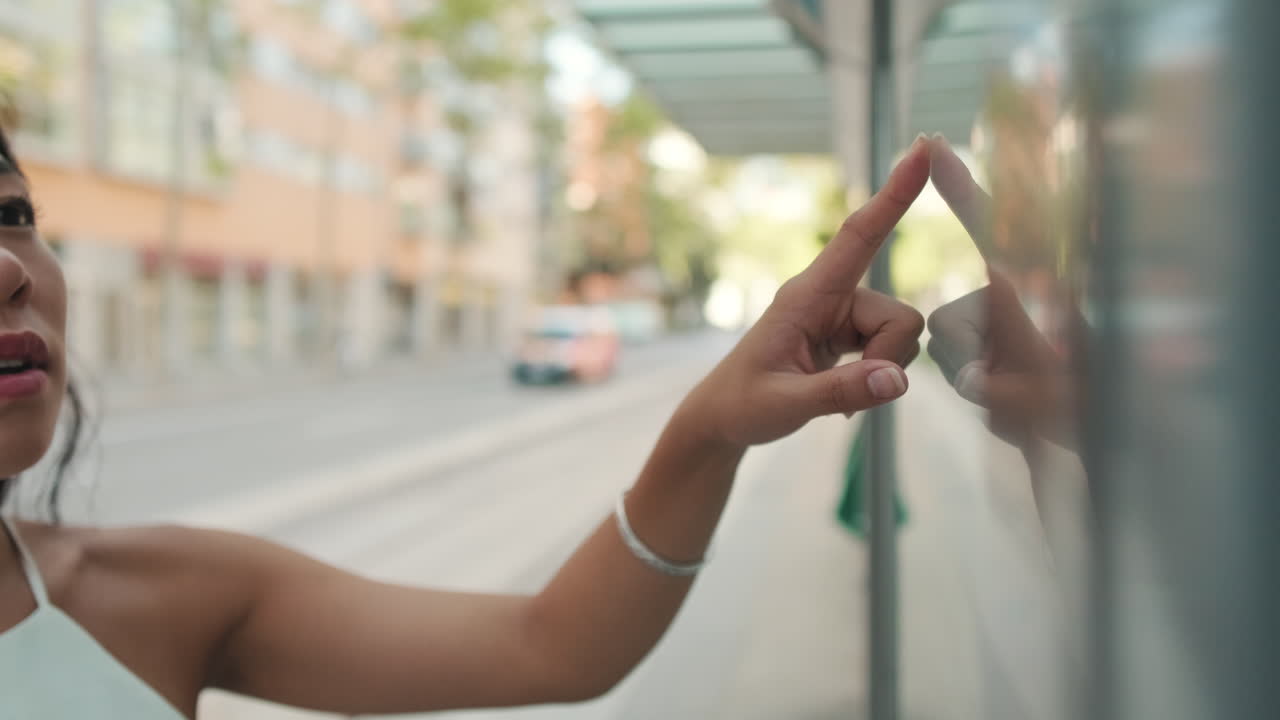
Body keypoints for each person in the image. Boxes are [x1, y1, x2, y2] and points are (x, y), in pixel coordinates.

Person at [0, 129, 931, 718]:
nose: (11, 269)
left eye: (12, 213)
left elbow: (556, 646)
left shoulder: (140, 596)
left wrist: (708, 430)